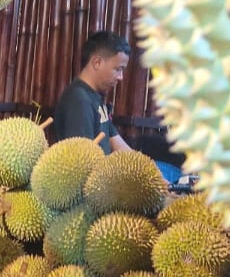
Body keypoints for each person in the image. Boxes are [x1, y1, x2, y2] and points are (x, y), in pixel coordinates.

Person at [52, 31, 183, 182]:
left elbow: (119, 145)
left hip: (104, 182)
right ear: (97, 63)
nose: (121, 77)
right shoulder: (78, 101)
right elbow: (80, 163)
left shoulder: (94, 97)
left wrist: (156, 178)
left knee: (171, 178)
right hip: (93, 189)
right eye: (118, 69)